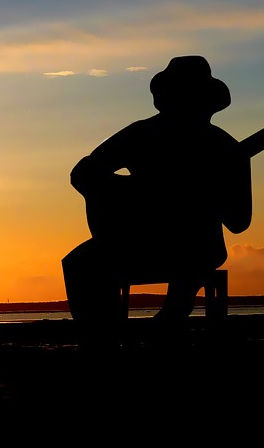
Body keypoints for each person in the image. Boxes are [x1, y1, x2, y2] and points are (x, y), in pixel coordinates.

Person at [61, 56, 252, 343]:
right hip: (140, 241)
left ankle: (165, 314)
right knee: (80, 262)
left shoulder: (225, 147)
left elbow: (238, 221)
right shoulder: (143, 134)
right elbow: (84, 172)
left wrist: (208, 194)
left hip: (196, 245)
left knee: (85, 263)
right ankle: (103, 341)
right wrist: (127, 193)